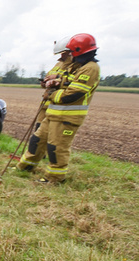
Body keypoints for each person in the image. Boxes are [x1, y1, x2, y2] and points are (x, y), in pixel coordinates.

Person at [17, 33, 100, 184]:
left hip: (67, 117)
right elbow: (66, 81)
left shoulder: (90, 68)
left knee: (56, 148)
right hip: (53, 113)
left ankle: (54, 179)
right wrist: (56, 81)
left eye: (71, 52)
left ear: (78, 51)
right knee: (37, 141)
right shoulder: (77, 66)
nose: (69, 55)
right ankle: (25, 167)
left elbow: (73, 94)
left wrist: (51, 94)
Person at [16, 37, 73, 170]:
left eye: (63, 53)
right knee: (38, 133)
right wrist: (45, 82)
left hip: (58, 106)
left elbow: (69, 83)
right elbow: (49, 78)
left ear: (70, 52)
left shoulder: (74, 66)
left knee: (53, 140)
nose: (61, 56)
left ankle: (44, 159)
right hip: (47, 103)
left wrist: (57, 79)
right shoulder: (58, 64)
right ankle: (30, 162)